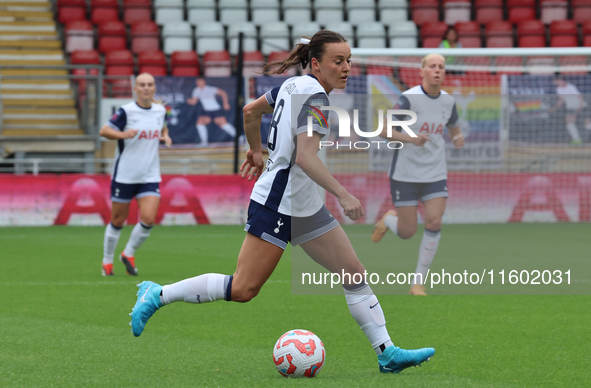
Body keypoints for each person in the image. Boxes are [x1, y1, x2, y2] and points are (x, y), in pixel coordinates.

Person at [129, 31, 435, 374]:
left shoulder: (293, 86)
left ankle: (387, 352)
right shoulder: (316, 97)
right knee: (243, 288)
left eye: (349, 60)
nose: (347, 67)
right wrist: (343, 194)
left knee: (354, 273)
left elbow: (250, 111)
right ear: (316, 63)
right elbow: (305, 157)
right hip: (277, 203)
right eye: (339, 61)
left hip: (304, 205)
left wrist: (256, 150)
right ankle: (157, 294)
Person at [372, 54, 465, 296]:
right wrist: (410, 138)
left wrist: (457, 137)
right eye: (432, 66)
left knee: (434, 221)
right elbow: (383, 130)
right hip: (406, 173)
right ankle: (389, 220)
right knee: (407, 232)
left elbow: (454, 127)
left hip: (435, 172)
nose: (437, 71)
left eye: (441, 67)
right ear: (422, 71)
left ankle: (418, 283)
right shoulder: (409, 99)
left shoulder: (448, 102)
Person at [99, 73, 172, 277]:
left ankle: (128, 253)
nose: (146, 88)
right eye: (142, 85)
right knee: (118, 220)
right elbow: (104, 131)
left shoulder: (160, 111)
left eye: (149, 84)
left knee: (148, 219)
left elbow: (163, 127)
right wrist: (123, 134)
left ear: (154, 88)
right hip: (125, 175)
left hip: (149, 175)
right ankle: (107, 262)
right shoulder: (126, 111)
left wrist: (165, 136)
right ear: (135, 88)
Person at [186, 77, 236, 146]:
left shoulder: (210, 89)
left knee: (223, 124)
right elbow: (194, 101)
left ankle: (239, 138)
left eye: (200, 81)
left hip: (215, 110)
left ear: (204, 82)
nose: (199, 83)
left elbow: (223, 93)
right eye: (197, 82)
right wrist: (188, 100)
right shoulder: (196, 90)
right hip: (207, 111)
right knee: (199, 123)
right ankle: (204, 142)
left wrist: (226, 103)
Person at [548, 75, 591, 145]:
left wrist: (580, 108)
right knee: (569, 122)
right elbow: (562, 99)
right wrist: (554, 108)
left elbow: (580, 97)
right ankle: (577, 140)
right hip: (571, 108)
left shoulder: (571, 87)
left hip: (581, 107)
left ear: (561, 80)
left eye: (556, 81)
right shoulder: (558, 89)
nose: (555, 82)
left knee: (587, 123)